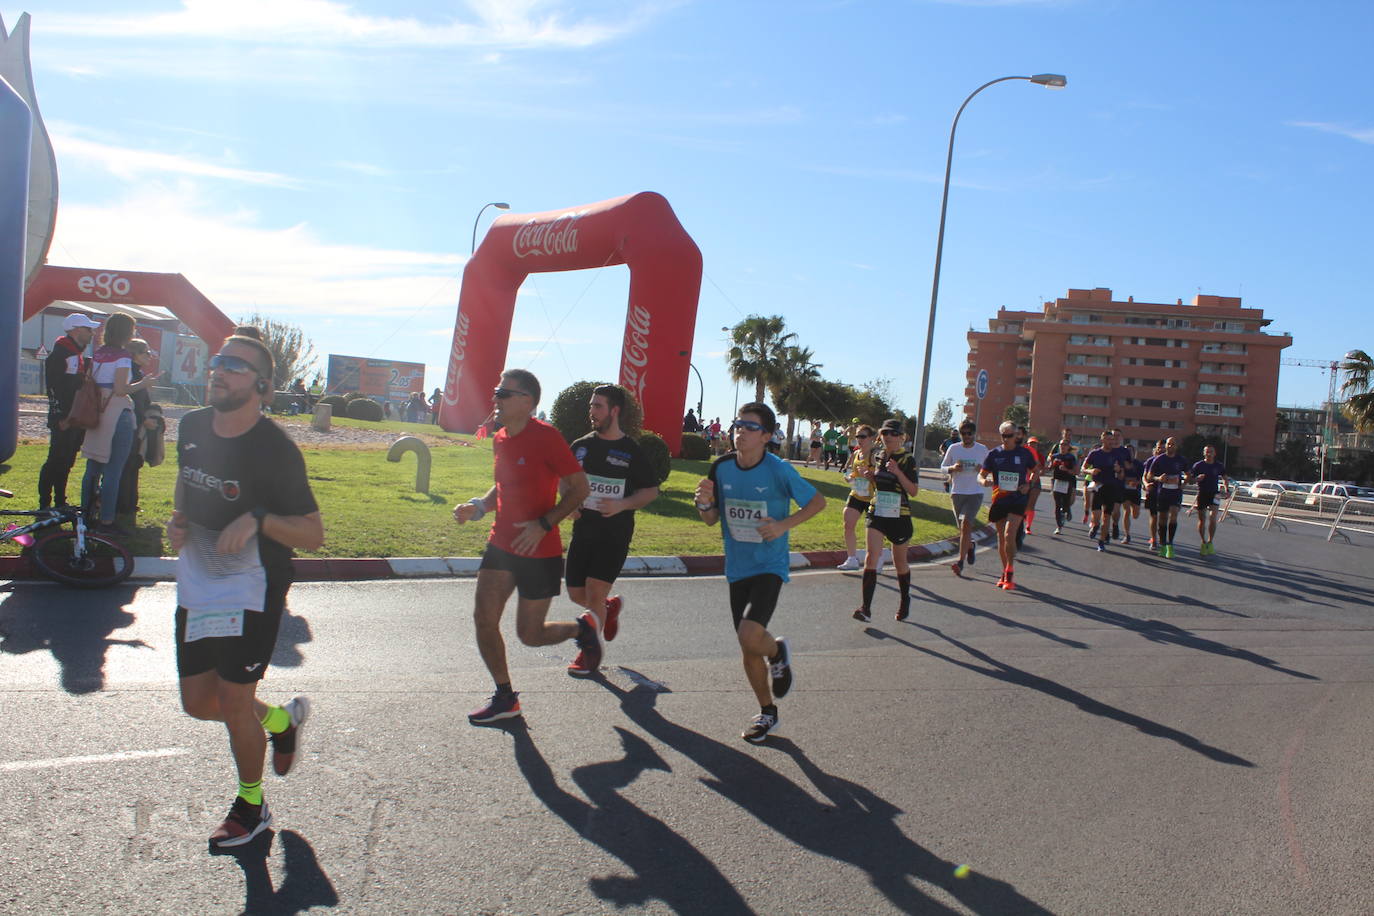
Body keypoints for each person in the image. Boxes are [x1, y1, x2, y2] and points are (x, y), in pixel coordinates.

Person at [167, 327, 324, 848]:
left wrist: (258, 519)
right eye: (219, 360)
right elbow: (186, 480)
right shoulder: (191, 424)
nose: (219, 370)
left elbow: (313, 534)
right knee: (198, 701)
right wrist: (180, 520)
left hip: (253, 591)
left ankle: (250, 806)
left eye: (234, 366)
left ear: (262, 387)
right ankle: (280, 720)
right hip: (198, 584)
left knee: (234, 701)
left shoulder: (275, 449)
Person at [454, 369, 594, 723]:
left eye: (503, 393)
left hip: (540, 551)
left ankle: (583, 629)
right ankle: (505, 697)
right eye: (495, 391)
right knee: (484, 619)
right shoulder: (500, 437)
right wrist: (479, 506)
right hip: (501, 544)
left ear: (527, 402)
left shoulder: (547, 437)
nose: (495, 399)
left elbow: (580, 488)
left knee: (530, 635)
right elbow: (502, 486)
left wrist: (544, 524)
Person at [694, 402, 825, 743]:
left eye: (750, 427)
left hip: (769, 564)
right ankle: (768, 712)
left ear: (767, 436)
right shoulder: (721, 467)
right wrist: (704, 503)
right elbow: (710, 520)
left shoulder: (778, 470)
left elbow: (817, 503)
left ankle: (778, 653)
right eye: (738, 424)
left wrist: (783, 526)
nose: (741, 431)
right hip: (737, 567)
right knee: (748, 647)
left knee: (749, 635)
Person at [564, 385, 660, 676]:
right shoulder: (581, 446)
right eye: (591, 406)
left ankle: (589, 654)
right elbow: (565, 480)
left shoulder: (630, 451)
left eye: (598, 406)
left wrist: (623, 504)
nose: (591, 411)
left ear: (614, 411)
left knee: (593, 593)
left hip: (614, 534)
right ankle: (608, 608)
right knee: (576, 594)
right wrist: (569, 504)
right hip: (583, 531)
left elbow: (651, 491)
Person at [79, 313, 160, 534]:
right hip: (117, 414)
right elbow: (121, 389)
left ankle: (85, 517)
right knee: (114, 470)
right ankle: (107, 520)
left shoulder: (98, 353)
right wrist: (144, 383)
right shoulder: (123, 356)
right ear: (127, 332)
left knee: (93, 467)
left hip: (97, 413)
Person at [852, 418, 921, 620]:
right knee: (871, 556)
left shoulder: (908, 459)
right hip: (877, 510)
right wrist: (871, 477)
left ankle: (905, 599)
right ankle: (866, 608)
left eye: (892, 433)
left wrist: (898, 472)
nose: (887, 437)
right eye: (884, 433)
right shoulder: (879, 456)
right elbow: (880, 484)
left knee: (900, 561)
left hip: (900, 515)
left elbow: (914, 491)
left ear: (902, 437)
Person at [39, 313, 99, 510]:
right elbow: (54, 389)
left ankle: (60, 501)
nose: (92, 334)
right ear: (76, 330)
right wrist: (61, 417)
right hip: (64, 418)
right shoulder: (60, 355)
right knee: (55, 459)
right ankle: (45, 504)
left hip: (75, 418)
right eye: (88, 329)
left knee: (67, 461)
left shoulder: (77, 356)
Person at [978, 420, 1034, 589]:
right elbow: (981, 475)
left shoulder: (1024, 454)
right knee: (1001, 539)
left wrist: (1028, 484)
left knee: (1010, 535)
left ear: (1016, 435)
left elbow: (1035, 470)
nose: (1006, 439)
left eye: (1010, 435)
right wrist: (983, 481)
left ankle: (1010, 571)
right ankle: (1004, 570)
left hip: (1018, 499)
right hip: (999, 500)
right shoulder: (994, 454)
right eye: (1004, 436)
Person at [115, 339, 167, 516]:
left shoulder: (137, 373)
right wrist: (143, 420)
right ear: (135, 354)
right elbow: (129, 400)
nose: (149, 356)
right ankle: (123, 505)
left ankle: (129, 504)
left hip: (135, 426)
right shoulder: (131, 373)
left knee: (133, 464)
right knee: (128, 465)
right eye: (146, 352)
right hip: (130, 426)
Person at [941, 419, 989, 577]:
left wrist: (982, 470)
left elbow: (990, 469)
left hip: (974, 492)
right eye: (963, 433)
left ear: (974, 434)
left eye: (969, 433)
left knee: (967, 524)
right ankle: (970, 546)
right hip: (957, 492)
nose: (967, 436)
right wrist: (952, 468)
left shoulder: (982, 449)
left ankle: (960, 562)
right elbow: (942, 467)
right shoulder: (954, 448)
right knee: (962, 528)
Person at [837, 424, 878, 571]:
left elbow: (882, 478)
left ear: (872, 438)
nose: (859, 439)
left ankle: (877, 558)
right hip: (857, 494)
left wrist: (870, 474)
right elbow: (855, 473)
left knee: (874, 531)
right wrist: (850, 478)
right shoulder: (856, 454)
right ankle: (852, 559)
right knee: (848, 523)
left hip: (872, 497)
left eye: (863, 436)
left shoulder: (874, 456)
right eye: (857, 436)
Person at [1147, 436, 1189, 559]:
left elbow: (1188, 474)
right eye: (1169, 444)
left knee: (1174, 515)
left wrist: (1184, 483)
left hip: (1175, 493)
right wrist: (1158, 479)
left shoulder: (1181, 460)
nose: (1170, 446)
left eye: (1173, 444)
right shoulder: (1159, 459)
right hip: (1162, 492)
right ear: (1166, 446)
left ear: (1177, 446)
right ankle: (1163, 544)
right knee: (1163, 518)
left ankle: (1170, 544)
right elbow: (1150, 475)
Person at [1083, 429, 1123, 552]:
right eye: (1108, 439)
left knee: (1106, 516)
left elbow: (1121, 475)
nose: (1111, 441)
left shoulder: (1116, 455)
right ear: (1102, 440)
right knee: (1096, 516)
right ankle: (1095, 525)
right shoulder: (1095, 454)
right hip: (1097, 486)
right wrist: (1091, 471)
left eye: (1112, 439)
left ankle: (1101, 541)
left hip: (1110, 487)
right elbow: (1083, 468)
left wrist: (1118, 470)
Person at [1190, 444, 1230, 556]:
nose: (1209, 454)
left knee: (1213, 518)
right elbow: (1190, 480)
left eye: (1211, 452)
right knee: (1202, 519)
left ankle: (1210, 541)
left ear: (1214, 453)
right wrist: (1197, 479)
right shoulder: (1198, 465)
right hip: (1202, 493)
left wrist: (1227, 489)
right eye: (1207, 452)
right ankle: (1203, 542)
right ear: (1204, 453)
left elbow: (1225, 477)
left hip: (1214, 494)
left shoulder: (1219, 466)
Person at [1047, 435, 1078, 534]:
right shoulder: (1055, 456)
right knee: (1057, 505)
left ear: (1068, 447)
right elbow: (1049, 468)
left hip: (1067, 482)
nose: (1063, 446)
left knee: (1066, 503)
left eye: (1065, 445)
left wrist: (1067, 470)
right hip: (1057, 481)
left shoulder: (1071, 457)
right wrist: (1051, 465)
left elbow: (1076, 471)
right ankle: (1058, 526)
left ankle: (1067, 510)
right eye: (1061, 445)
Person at [1117, 443, 1146, 545]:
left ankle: (1127, 534)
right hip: (1125, 490)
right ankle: (1127, 535)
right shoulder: (1121, 463)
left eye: (1131, 451)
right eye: (1127, 451)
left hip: (1135, 491)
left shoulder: (1139, 464)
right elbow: (1118, 476)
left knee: (1135, 515)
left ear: (1134, 453)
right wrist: (1123, 480)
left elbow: (1142, 479)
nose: (1128, 453)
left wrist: (1136, 482)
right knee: (1126, 511)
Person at [1142, 440, 1165, 551]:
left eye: (1163, 448)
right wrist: (1146, 484)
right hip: (1153, 491)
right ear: (1156, 448)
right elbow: (1144, 476)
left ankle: (1162, 535)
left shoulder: (1169, 461)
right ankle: (1153, 539)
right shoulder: (1150, 461)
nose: (1161, 450)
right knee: (1154, 516)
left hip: (1166, 493)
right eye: (1159, 447)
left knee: (1163, 517)